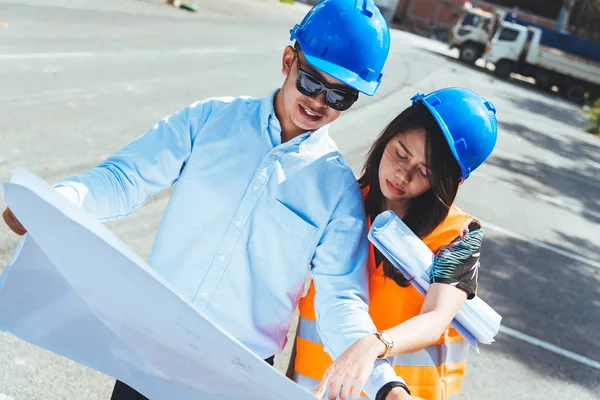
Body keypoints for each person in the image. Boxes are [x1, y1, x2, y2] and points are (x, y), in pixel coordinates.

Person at [2, 0, 408, 399]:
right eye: (312, 82)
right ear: (288, 60)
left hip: (237, 377)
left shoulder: (336, 191)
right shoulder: (210, 121)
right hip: (153, 345)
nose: (320, 102)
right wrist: (52, 201)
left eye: (340, 96)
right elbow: (125, 178)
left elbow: (341, 299)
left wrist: (384, 384)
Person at [291, 87, 498, 400]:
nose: (402, 174)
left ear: (450, 181)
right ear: (388, 135)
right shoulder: (343, 202)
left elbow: (436, 317)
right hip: (316, 387)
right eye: (401, 153)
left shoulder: (458, 234)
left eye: (424, 171)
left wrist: (375, 344)